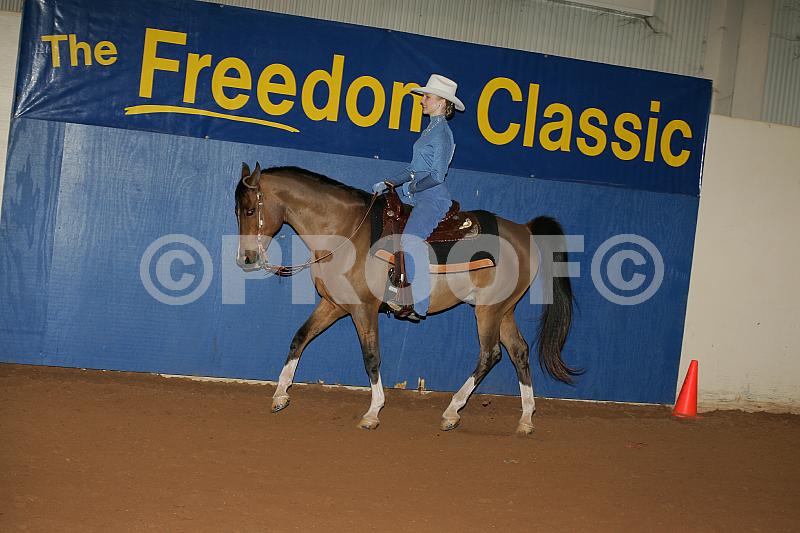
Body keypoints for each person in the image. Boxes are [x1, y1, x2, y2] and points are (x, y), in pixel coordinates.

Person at [372, 74, 465, 321]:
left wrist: (413, 188)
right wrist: (389, 182)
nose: (422, 100)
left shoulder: (442, 133)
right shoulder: (430, 130)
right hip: (420, 196)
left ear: (442, 102)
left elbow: (437, 175)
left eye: (427, 96)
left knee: (411, 240)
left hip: (433, 199)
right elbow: (413, 169)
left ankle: (419, 304)